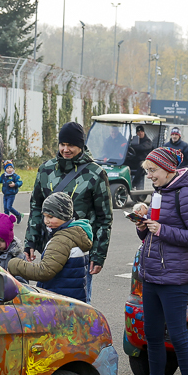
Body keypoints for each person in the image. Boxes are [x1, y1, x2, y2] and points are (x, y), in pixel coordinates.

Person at [123, 147, 188, 375]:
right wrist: (142, 223)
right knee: (152, 335)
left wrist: (162, 229)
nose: (149, 177)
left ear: (169, 169)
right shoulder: (160, 191)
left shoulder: (185, 192)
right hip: (152, 274)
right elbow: (150, 233)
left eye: (153, 171)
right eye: (147, 171)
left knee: (180, 338)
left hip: (174, 277)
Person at [25, 121, 112, 301]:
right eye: (63, 144)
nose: (66, 149)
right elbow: (35, 207)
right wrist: (31, 242)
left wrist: (99, 255)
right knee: (48, 301)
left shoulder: (95, 173)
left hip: (79, 254)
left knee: (79, 304)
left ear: (80, 145)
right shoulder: (46, 169)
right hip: (51, 247)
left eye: (71, 145)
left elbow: (104, 218)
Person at [9, 192, 93, 302]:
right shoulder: (76, 234)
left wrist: (15, 264)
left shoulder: (61, 240)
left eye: (51, 216)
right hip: (73, 297)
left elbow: (45, 271)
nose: (46, 221)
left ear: (63, 215)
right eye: (44, 216)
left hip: (59, 300)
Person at [128, 125, 153, 189]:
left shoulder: (148, 141)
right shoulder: (134, 141)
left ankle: (134, 184)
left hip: (145, 161)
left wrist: (131, 146)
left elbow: (142, 147)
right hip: (135, 160)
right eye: (138, 132)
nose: (140, 133)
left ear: (144, 132)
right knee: (124, 163)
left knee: (141, 165)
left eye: (141, 131)